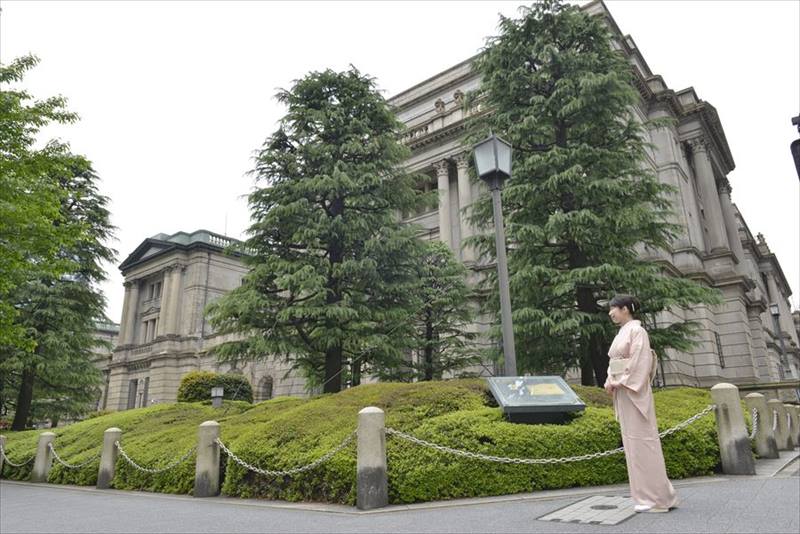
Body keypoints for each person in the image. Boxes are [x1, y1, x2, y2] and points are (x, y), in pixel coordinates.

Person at [604, 294, 677, 513]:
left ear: (625, 309)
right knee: (633, 446)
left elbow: (639, 362)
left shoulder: (638, 331)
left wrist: (619, 381)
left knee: (643, 443)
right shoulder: (624, 332)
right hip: (623, 391)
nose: (610, 313)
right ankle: (645, 497)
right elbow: (614, 362)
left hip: (631, 390)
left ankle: (656, 498)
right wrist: (611, 379)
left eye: (613, 308)